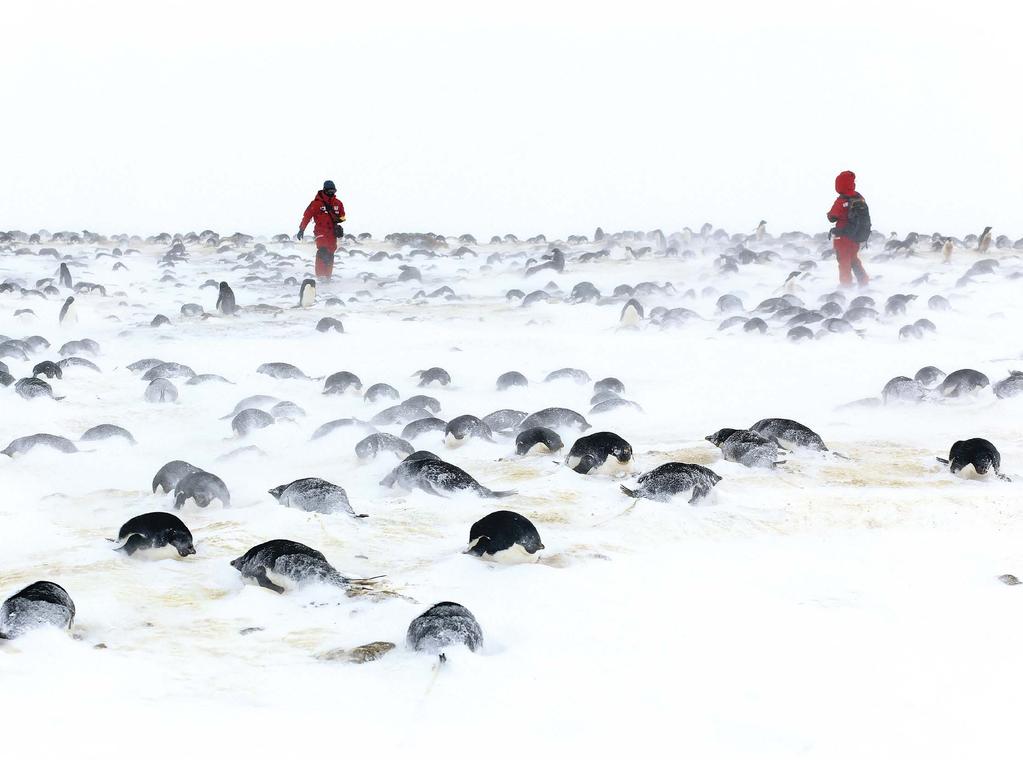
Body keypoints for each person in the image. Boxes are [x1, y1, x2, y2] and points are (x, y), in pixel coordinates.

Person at [827, 170, 869, 287]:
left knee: (844, 262)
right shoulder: (859, 197)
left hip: (843, 237)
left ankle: (846, 287)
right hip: (856, 236)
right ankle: (864, 283)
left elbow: (832, 217)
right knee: (854, 260)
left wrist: (830, 214)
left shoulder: (841, 200)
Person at [297, 180, 346, 278]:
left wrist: (339, 223)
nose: (332, 193)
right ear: (324, 190)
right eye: (329, 191)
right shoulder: (315, 204)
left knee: (330, 253)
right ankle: (320, 276)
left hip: (332, 233)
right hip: (320, 231)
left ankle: (327, 277)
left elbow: (343, 217)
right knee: (322, 251)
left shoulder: (338, 203)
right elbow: (306, 217)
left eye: (333, 191)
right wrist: (301, 229)